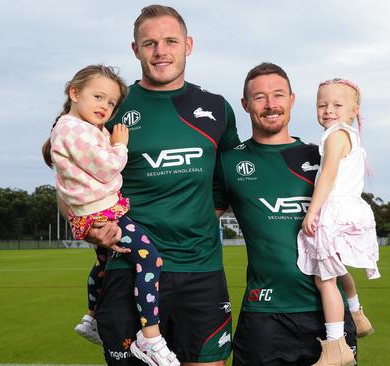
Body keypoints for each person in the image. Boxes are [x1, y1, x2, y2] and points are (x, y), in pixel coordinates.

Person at [84, 5, 240, 366]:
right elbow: (68, 176)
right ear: (135, 49)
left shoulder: (216, 108)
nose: (161, 51)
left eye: (170, 41)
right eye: (150, 43)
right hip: (128, 268)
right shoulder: (111, 107)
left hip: (201, 269)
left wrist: (200, 215)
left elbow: (227, 179)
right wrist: (87, 227)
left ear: (188, 44)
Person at [214, 62, 358, 366]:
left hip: (326, 314)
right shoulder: (228, 163)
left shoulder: (321, 156)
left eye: (278, 95)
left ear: (292, 100)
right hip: (264, 314)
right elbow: (198, 220)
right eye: (259, 97)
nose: (270, 105)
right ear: (245, 104)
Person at [42, 64, 179, 366]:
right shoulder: (72, 129)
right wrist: (120, 146)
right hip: (101, 212)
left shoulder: (77, 128)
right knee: (149, 258)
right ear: (74, 93)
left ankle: (91, 317)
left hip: (92, 212)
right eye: (98, 97)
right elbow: (106, 167)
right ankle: (151, 337)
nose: (104, 106)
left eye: (111, 102)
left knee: (102, 262)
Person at [296, 78, 380, 365]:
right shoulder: (350, 135)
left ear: (354, 110)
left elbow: (329, 174)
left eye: (337, 104)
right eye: (322, 104)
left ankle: (336, 347)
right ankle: (357, 313)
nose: (328, 109)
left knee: (324, 279)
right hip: (351, 209)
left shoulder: (335, 136)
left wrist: (312, 211)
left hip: (333, 211)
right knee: (335, 264)